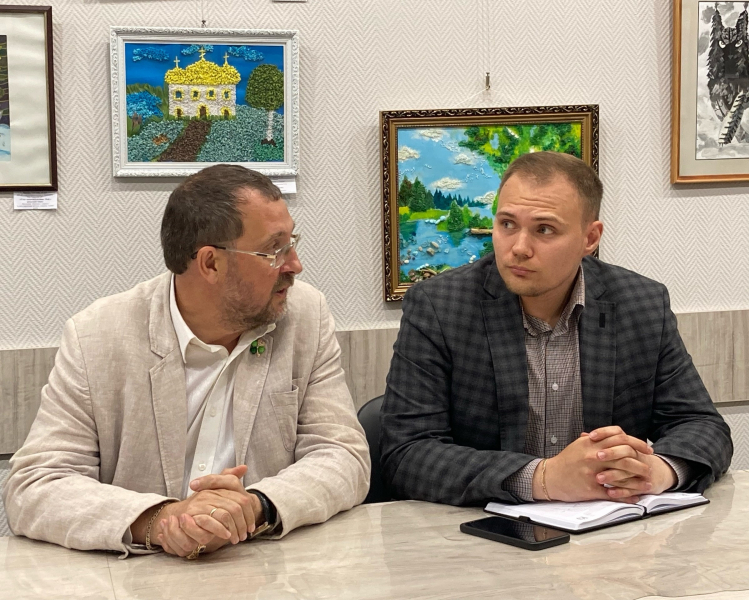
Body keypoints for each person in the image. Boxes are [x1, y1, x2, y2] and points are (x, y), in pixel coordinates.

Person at [3, 165, 370, 557]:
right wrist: (163, 520)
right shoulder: (98, 336)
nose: (294, 265)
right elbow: (35, 486)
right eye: (274, 250)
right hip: (136, 575)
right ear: (210, 263)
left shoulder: (305, 315)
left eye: (291, 242)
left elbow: (343, 456)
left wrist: (254, 506)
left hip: (265, 563)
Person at [380, 151, 732, 507]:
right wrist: (542, 478)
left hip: (611, 529)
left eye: (544, 230)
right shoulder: (440, 306)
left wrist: (656, 470)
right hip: (484, 529)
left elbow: (702, 425)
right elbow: (406, 453)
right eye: (507, 224)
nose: (519, 248)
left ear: (590, 238)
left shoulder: (640, 304)